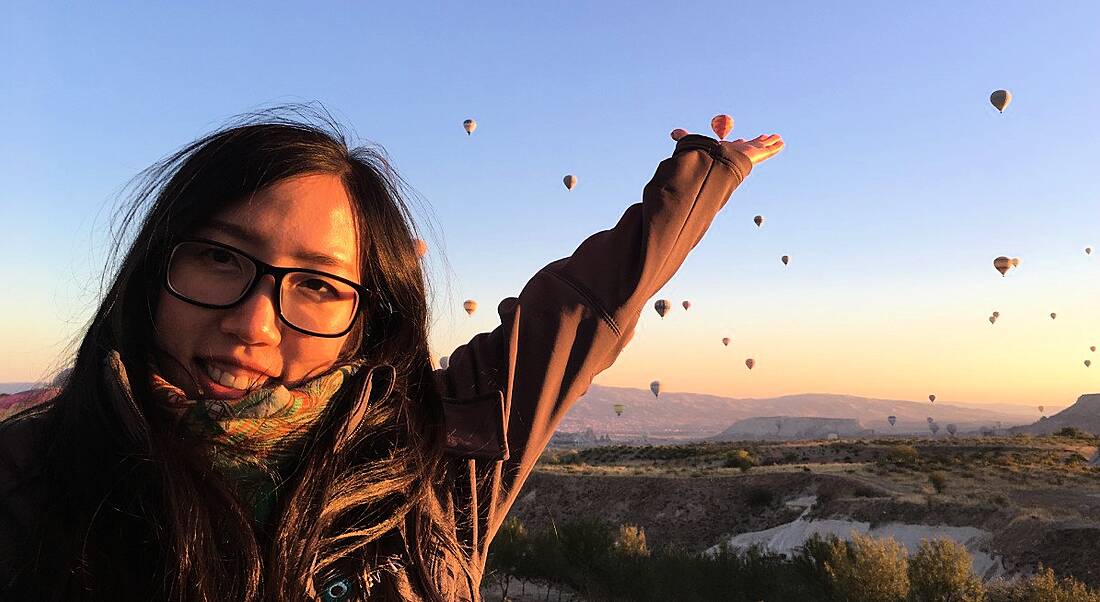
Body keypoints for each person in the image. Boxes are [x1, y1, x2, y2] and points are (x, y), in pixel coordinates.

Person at [0, 106, 782, 601]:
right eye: (219, 257)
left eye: (317, 285)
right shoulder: (25, 488)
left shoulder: (445, 457)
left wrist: (706, 173)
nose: (252, 324)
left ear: (368, 317)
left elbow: (582, 303)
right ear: (151, 271)